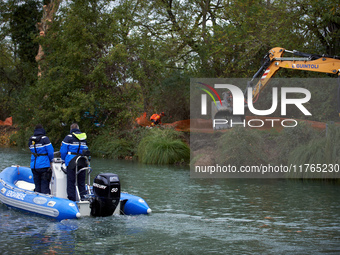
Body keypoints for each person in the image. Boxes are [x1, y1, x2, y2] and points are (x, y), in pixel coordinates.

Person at [60, 123, 89, 201]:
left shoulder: (68, 137)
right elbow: (86, 149)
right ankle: (83, 197)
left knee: (71, 181)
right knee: (81, 181)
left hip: (71, 161)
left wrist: (63, 160)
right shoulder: (83, 137)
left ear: (71, 129)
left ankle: (71, 199)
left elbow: (63, 151)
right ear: (78, 128)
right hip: (82, 161)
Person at [28, 124, 54, 194]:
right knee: (44, 185)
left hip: (34, 166)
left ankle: (36, 200)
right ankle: (44, 200)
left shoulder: (31, 140)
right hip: (44, 165)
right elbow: (51, 152)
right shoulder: (45, 139)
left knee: (37, 185)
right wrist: (51, 160)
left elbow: (31, 149)